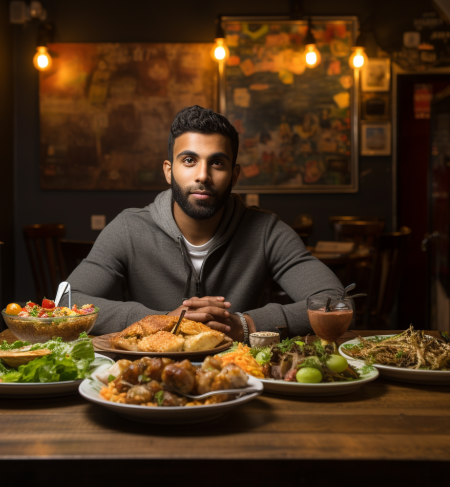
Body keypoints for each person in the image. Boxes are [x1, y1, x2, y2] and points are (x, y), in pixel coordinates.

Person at [65, 105, 343, 341]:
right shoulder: (128, 228)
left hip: (242, 378)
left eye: (217, 163)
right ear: (169, 171)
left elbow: (336, 303)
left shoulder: (266, 231)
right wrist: (159, 321)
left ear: (234, 176)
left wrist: (246, 325)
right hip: (148, 380)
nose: (203, 175)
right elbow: (68, 301)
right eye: (189, 160)